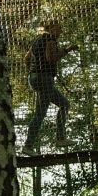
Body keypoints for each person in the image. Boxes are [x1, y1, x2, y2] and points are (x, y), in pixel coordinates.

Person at [21, 19, 75, 155]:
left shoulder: (36, 41)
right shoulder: (50, 39)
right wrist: (67, 49)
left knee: (64, 104)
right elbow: (51, 58)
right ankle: (28, 146)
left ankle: (60, 137)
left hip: (34, 78)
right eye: (59, 28)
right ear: (51, 28)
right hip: (45, 78)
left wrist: (33, 73)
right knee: (40, 114)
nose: (61, 31)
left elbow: (26, 59)